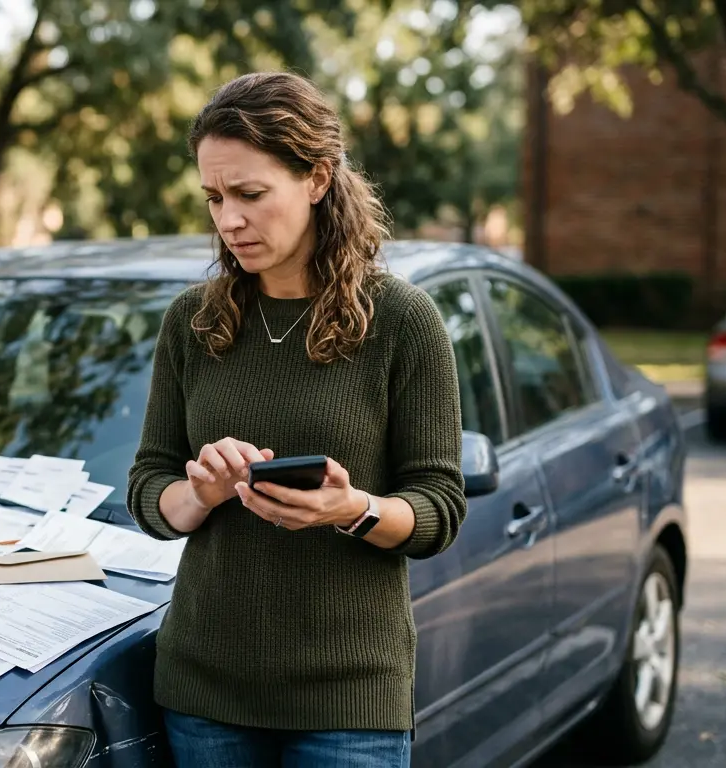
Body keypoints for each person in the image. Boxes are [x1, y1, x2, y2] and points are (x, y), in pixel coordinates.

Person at [126, 71, 468, 768]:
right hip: (203, 691)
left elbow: (438, 511)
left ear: (316, 179)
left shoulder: (403, 322)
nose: (228, 220)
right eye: (214, 198)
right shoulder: (191, 322)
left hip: (348, 705)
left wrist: (350, 509)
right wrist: (202, 492)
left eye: (250, 194)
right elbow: (147, 491)